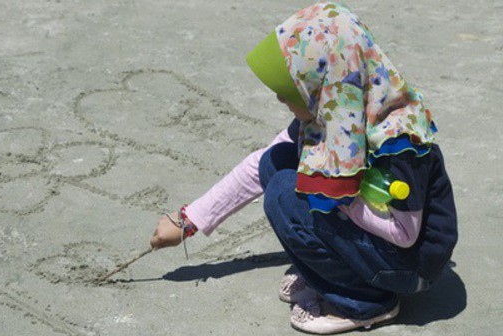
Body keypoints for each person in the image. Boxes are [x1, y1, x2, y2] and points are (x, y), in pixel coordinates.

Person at [149, 2, 458, 334]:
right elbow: (260, 163)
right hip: (376, 240)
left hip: (409, 265)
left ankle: (366, 299)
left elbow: (406, 234)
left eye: (288, 91)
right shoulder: (338, 108)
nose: (281, 100)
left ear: (325, 81)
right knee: (277, 162)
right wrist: (190, 220)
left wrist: (341, 202)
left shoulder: (398, 144)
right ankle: (337, 270)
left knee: (285, 195)